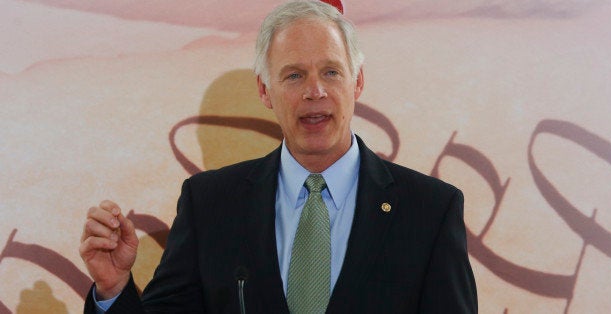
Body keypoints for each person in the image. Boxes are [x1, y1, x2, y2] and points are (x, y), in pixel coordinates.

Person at [79, 1, 478, 313]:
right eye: (294, 75)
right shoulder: (210, 203)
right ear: (265, 91)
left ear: (357, 81)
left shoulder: (430, 209)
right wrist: (114, 289)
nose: (314, 91)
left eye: (331, 72)